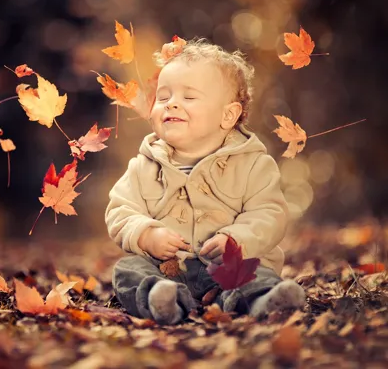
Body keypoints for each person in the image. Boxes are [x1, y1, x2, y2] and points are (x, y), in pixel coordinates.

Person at [106, 37, 305, 325]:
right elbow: (119, 209)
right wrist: (146, 234)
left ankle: (264, 301)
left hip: (230, 267)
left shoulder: (254, 164)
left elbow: (270, 214)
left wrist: (236, 240)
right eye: (163, 97)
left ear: (227, 115)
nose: (172, 105)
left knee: (257, 273)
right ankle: (164, 301)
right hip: (167, 268)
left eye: (189, 97)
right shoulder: (144, 165)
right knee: (127, 270)